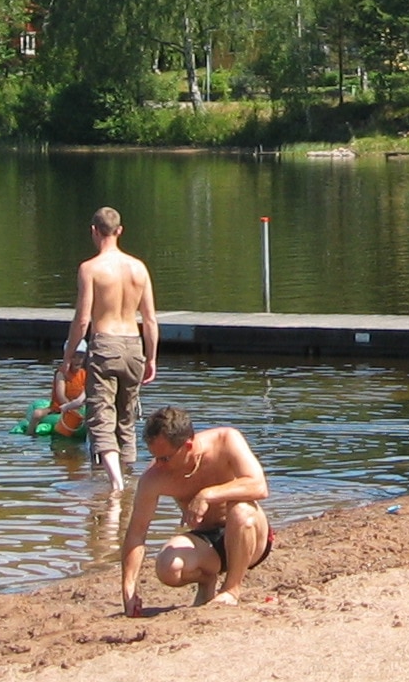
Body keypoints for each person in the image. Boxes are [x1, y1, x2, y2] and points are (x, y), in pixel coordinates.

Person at [119, 405, 274, 614]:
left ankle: (232, 589)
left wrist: (208, 494)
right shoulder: (153, 477)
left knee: (240, 512)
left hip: (251, 536)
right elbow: (136, 533)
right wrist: (128, 591)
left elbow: (259, 486)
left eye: (165, 458)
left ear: (188, 445)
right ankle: (207, 580)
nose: (159, 465)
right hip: (207, 541)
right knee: (168, 568)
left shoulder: (226, 440)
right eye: (155, 457)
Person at [61, 206, 158, 491]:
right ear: (119, 231)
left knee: (101, 417)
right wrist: (151, 357)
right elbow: (150, 319)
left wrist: (68, 358)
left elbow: (82, 319)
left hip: (105, 343)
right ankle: (128, 480)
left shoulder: (90, 269)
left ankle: (115, 484)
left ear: (94, 230)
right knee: (126, 419)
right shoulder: (139, 268)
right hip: (133, 345)